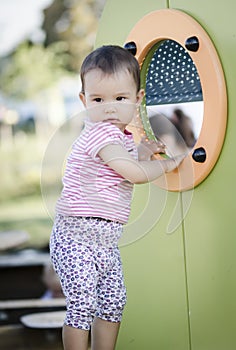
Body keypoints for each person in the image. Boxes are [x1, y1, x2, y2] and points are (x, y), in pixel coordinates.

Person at [50, 45, 185, 350]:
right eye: (98, 100)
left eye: (120, 98)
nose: (109, 108)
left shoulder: (121, 138)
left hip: (106, 241)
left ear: (137, 100)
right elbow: (130, 172)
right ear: (85, 101)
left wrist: (142, 152)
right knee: (82, 305)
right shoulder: (99, 133)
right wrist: (166, 164)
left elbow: (123, 164)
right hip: (76, 237)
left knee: (112, 302)